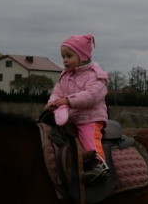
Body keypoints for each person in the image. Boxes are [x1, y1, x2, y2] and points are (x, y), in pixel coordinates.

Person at [44, 34, 109, 186]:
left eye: (69, 56)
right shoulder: (65, 75)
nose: (65, 60)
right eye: (63, 56)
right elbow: (57, 92)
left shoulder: (95, 75)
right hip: (71, 117)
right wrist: (52, 103)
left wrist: (67, 101)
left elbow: (91, 96)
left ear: (82, 56)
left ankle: (98, 165)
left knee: (88, 136)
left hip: (89, 118)